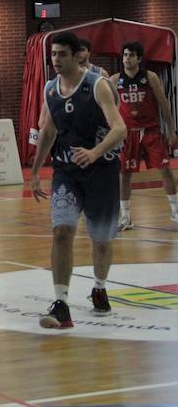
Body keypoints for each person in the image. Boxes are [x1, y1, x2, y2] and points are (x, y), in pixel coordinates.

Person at [30, 32, 126, 329]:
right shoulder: (50, 89)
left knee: (100, 240)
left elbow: (120, 129)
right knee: (61, 231)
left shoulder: (98, 85)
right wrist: (34, 172)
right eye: (53, 55)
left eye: (61, 54)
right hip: (66, 172)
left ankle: (99, 287)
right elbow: (48, 131)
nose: (55, 60)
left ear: (77, 56)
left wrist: (95, 152)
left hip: (102, 172)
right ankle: (61, 303)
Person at [111, 42, 178, 229]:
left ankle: (175, 211)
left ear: (139, 58)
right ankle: (126, 217)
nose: (126, 58)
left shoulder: (150, 77)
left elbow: (164, 103)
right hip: (127, 133)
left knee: (165, 169)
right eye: (124, 55)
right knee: (124, 174)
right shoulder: (115, 80)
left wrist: (171, 130)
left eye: (131, 55)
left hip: (151, 131)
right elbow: (105, 107)